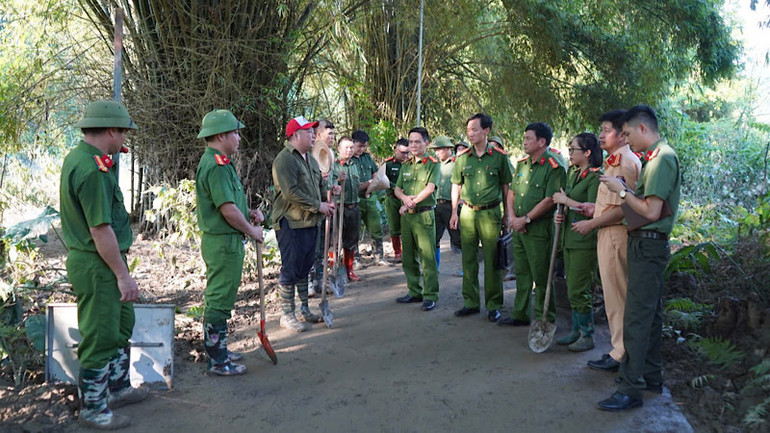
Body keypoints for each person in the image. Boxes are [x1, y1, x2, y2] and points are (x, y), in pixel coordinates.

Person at [60, 100, 148, 429]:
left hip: (105, 261)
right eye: (124, 131)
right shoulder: (90, 169)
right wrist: (123, 276)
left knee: (120, 325)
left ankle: (117, 388)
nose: (125, 137)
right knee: (100, 334)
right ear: (111, 130)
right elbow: (100, 229)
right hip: (98, 264)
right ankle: (94, 409)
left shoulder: (88, 159)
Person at [597, 105, 681, 411]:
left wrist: (621, 191)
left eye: (629, 133)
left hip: (648, 246)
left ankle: (629, 388)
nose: (627, 140)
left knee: (635, 317)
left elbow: (650, 211)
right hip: (645, 244)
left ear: (643, 128)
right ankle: (651, 376)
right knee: (651, 315)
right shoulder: (654, 159)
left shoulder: (661, 159)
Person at [195, 109, 264, 376]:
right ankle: (218, 360)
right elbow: (226, 210)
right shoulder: (215, 165)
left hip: (227, 240)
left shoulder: (222, 162)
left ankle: (219, 349)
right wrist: (251, 230)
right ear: (221, 135)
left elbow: (231, 205)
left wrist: (249, 214)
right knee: (219, 300)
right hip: (223, 242)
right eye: (235, 132)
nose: (238, 137)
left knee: (222, 298)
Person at [573, 110, 642, 372]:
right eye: (600, 129)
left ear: (622, 135)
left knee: (618, 297)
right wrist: (594, 209)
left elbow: (624, 207)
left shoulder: (624, 162)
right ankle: (618, 349)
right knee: (614, 296)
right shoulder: (614, 161)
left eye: (606, 130)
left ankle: (621, 353)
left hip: (615, 235)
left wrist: (592, 222)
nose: (601, 134)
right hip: (607, 232)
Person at [272, 116, 336, 332]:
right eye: (308, 132)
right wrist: (318, 206)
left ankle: (304, 309)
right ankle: (286, 314)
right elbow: (291, 192)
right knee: (291, 268)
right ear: (295, 135)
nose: (312, 136)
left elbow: (317, 185)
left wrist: (329, 194)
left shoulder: (309, 158)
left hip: (310, 222)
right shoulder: (285, 160)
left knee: (304, 268)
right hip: (291, 222)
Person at [499, 122, 566, 326]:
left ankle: (545, 317)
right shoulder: (522, 164)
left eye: (528, 138)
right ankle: (520, 314)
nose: (524, 141)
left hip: (538, 230)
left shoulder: (554, 166)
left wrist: (526, 219)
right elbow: (512, 192)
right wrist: (512, 217)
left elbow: (549, 199)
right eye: (524, 137)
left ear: (542, 141)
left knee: (542, 275)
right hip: (519, 228)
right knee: (522, 272)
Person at [449, 113, 513, 322]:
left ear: (486, 131)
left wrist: (507, 214)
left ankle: (494, 304)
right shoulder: (462, 158)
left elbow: (506, 187)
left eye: (475, 129)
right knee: (468, 260)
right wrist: (453, 212)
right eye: (468, 130)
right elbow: (456, 185)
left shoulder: (499, 157)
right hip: (467, 212)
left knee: (493, 260)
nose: (471, 133)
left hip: (490, 212)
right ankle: (471, 302)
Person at [551, 132, 602, 352]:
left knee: (580, 289)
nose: (570, 154)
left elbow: (592, 209)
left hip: (584, 241)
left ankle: (587, 334)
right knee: (572, 287)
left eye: (574, 150)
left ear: (588, 153)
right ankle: (575, 330)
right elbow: (572, 205)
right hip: (569, 239)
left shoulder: (595, 177)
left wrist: (565, 200)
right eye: (569, 149)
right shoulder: (574, 174)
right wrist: (561, 211)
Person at [394, 127, 440, 311]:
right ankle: (414, 291)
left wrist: (410, 203)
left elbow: (430, 188)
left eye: (417, 141)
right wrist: (404, 199)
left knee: (427, 258)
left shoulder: (433, 164)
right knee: (408, 257)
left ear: (426, 143)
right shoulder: (406, 165)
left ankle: (430, 295)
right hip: (408, 218)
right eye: (410, 141)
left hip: (424, 215)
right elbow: (397, 189)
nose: (413, 145)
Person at [308, 119, 337, 297]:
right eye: (329, 134)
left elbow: (328, 180)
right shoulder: (311, 156)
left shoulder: (330, 154)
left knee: (323, 247)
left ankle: (320, 280)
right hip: (314, 208)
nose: (332, 137)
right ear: (318, 135)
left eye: (333, 134)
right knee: (312, 247)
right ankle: (309, 282)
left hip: (328, 206)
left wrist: (333, 187)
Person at [352, 130, 387, 265]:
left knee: (376, 227)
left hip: (370, 197)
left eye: (364, 146)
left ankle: (379, 256)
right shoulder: (347, 160)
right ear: (352, 142)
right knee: (354, 230)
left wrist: (375, 182)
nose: (362, 149)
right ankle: (355, 259)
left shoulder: (367, 158)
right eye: (359, 146)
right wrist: (368, 183)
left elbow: (375, 173)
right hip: (355, 199)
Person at [332, 137, 363, 281]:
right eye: (346, 147)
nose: (349, 150)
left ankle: (349, 270)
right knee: (336, 240)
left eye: (351, 147)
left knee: (352, 240)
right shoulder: (334, 165)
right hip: (339, 207)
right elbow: (326, 183)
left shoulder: (355, 164)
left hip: (354, 207)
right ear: (339, 149)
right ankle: (335, 270)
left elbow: (358, 185)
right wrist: (337, 180)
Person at [430, 135, 462, 267]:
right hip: (437, 205)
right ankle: (434, 266)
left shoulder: (458, 162)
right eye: (435, 150)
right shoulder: (435, 165)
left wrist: (462, 200)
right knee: (434, 237)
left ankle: (467, 268)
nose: (437, 153)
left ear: (449, 148)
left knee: (459, 237)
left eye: (439, 149)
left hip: (452, 205)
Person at [384, 138, 410, 262]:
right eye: (402, 152)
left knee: (407, 226)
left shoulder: (411, 163)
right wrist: (396, 188)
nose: (405, 155)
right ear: (395, 150)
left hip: (407, 199)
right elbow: (383, 181)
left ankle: (407, 251)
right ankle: (397, 252)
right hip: (392, 199)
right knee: (394, 226)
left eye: (407, 153)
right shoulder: (388, 164)